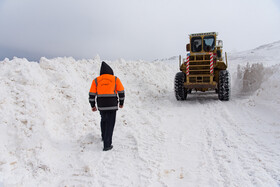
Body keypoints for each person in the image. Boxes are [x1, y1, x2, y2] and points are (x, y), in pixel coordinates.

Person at [89, 61, 125, 151]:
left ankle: (104, 137)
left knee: (104, 120)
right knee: (110, 124)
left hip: (101, 106)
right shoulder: (115, 79)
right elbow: (121, 92)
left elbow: (91, 94)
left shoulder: (96, 80)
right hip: (112, 105)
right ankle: (107, 145)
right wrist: (121, 103)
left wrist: (93, 105)